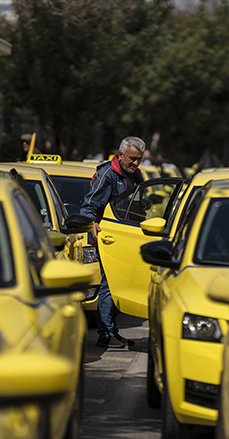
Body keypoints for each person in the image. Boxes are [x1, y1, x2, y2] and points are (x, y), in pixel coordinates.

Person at [80, 136, 145, 349]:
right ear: (120, 155)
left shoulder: (136, 175)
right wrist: (91, 223)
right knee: (109, 285)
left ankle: (112, 331)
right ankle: (106, 334)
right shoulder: (107, 174)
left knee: (117, 285)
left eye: (139, 159)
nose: (135, 164)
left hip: (126, 239)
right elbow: (90, 204)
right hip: (108, 239)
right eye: (132, 159)